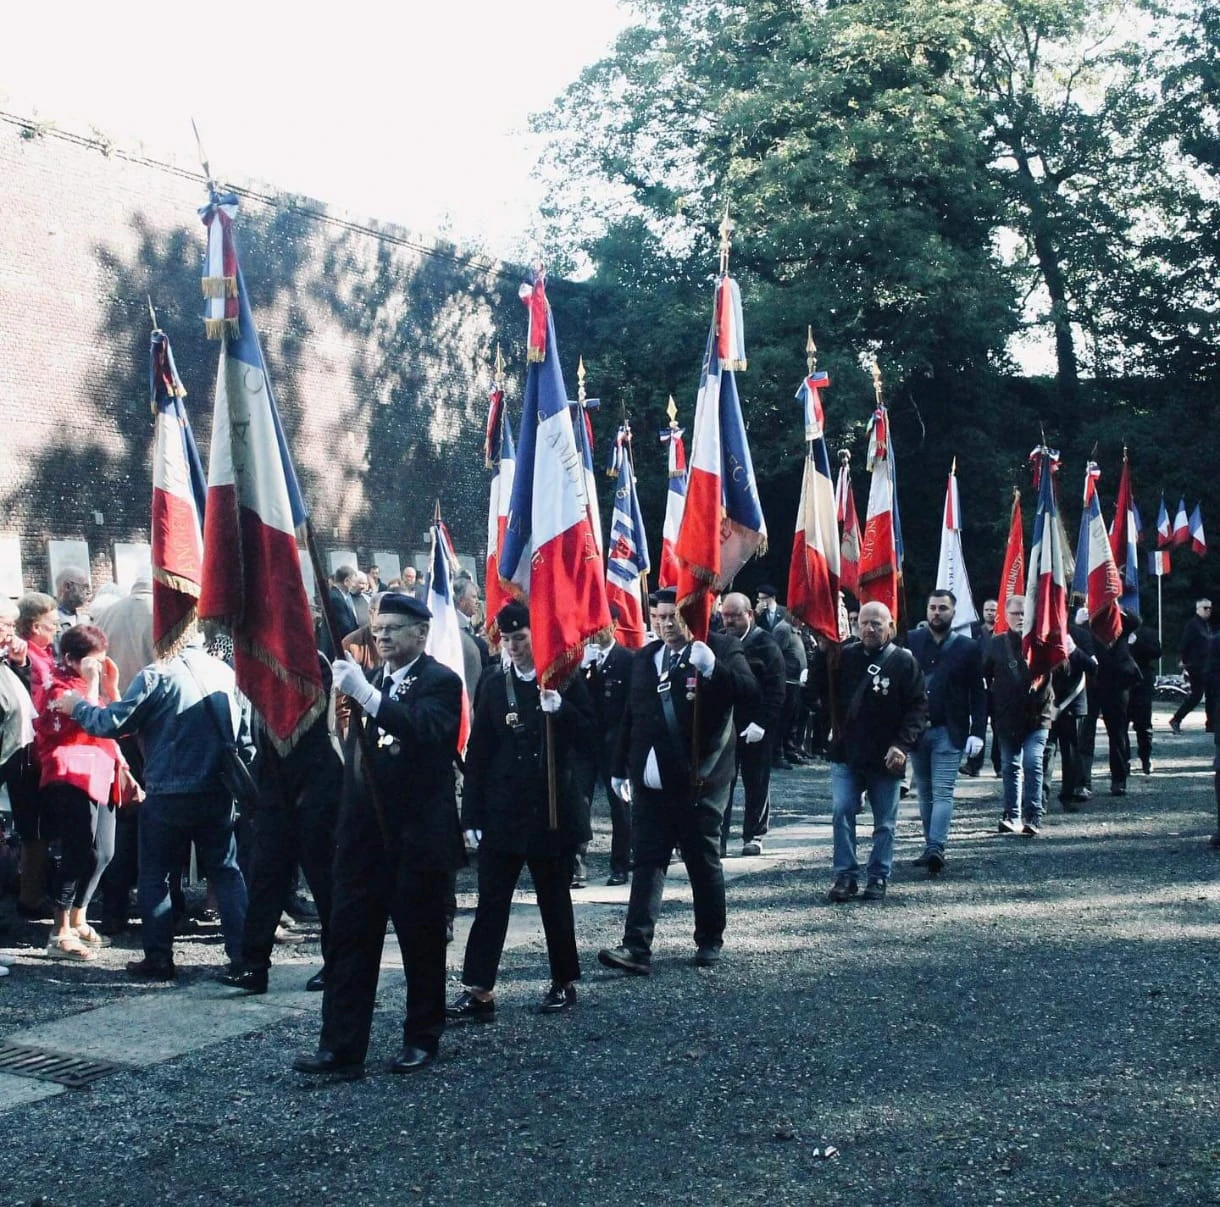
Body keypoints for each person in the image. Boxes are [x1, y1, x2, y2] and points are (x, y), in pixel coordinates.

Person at [295, 594, 463, 1078]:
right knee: (349, 942)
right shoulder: (368, 680)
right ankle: (341, 1047)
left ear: (420, 633)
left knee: (420, 943)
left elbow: (425, 730)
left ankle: (422, 1036)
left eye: (394, 628)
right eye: (379, 628)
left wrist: (368, 698)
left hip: (415, 838)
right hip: (364, 838)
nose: (383, 636)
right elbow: (354, 762)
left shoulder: (439, 681)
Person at [54, 626, 252, 980]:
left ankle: (159, 959)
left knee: (156, 875)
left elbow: (112, 723)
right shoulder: (224, 672)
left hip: (167, 790)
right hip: (217, 788)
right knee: (226, 871)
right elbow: (245, 736)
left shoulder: (157, 674)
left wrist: (78, 706)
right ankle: (243, 958)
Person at [447, 600, 595, 1022]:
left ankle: (563, 980)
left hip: (550, 808)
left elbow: (591, 737)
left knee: (554, 899)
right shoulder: (494, 683)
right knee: (492, 901)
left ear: (537, 635)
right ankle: (479, 990)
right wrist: (471, 815)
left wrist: (562, 710)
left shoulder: (564, 679)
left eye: (520, 637)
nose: (512, 646)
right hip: (504, 809)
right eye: (507, 639)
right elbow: (479, 752)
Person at [598, 587, 758, 974]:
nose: (665, 625)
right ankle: (636, 945)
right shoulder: (646, 657)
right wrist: (620, 767)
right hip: (652, 783)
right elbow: (631, 716)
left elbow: (749, 693)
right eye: (658, 618)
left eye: (673, 617)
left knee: (702, 861)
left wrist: (713, 669)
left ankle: (709, 938)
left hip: (699, 780)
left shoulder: (721, 648)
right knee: (647, 861)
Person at [221, 655, 340, 995]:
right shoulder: (259, 661)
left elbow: (312, 731)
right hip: (274, 794)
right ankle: (253, 965)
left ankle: (337, 964)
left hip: (314, 793)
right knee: (265, 880)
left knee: (325, 885)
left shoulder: (312, 663)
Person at [35, 624, 131, 959]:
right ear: (70, 658)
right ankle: (59, 930)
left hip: (101, 771)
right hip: (69, 773)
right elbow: (85, 720)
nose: (98, 666)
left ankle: (79, 916)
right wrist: (92, 685)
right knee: (77, 848)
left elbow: (116, 724)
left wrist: (111, 688)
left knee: (104, 851)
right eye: (92, 660)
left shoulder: (87, 685)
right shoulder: (55, 685)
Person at [823, 601, 928, 902]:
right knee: (842, 811)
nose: (869, 629)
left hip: (886, 756)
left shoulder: (904, 662)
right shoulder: (844, 657)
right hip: (847, 753)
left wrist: (902, 744)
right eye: (864, 623)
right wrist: (822, 651)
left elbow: (918, 709)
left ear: (890, 627)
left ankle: (879, 875)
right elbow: (821, 692)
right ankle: (845, 875)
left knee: (885, 822)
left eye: (876, 624)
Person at [906, 590, 986, 876]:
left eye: (943, 608)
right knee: (924, 792)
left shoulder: (968, 647)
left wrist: (978, 732)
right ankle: (930, 845)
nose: (937, 613)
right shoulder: (912, 640)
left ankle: (936, 846)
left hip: (949, 731)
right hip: (916, 731)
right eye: (932, 607)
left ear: (954, 612)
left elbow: (978, 693)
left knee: (943, 791)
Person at [719, 592, 785, 857]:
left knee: (756, 781)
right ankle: (718, 837)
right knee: (721, 782)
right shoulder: (719, 641)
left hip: (755, 725)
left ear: (750, 614)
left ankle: (754, 835)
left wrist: (762, 723)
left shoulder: (766, 645)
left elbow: (776, 690)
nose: (729, 621)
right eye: (725, 615)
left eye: (735, 616)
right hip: (725, 724)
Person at [983, 596, 1054, 835]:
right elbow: (984, 676)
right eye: (1015, 613)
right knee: (1010, 766)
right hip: (1007, 718)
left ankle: (1033, 816)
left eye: (1024, 613)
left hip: (1038, 716)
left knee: (1032, 763)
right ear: (1006, 615)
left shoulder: (1044, 642)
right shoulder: (995, 644)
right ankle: (1012, 815)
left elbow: (1062, 669)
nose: (1020, 618)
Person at [578, 611, 634, 885]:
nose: (596, 631)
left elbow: (630, 707)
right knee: (579, 803)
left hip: (614, 743)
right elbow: (573, 696)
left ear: (614, 625)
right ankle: (577, 863)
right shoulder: (580, 659)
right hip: (585, 744)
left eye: (601, 625)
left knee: (620, 806)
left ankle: (620, 864)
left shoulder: (627, 660)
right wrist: (581, 670)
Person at [1169, 599, 1214, 734]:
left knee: (1210, 694)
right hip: (1196, 665)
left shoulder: (1205, 625)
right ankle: (1176, 719)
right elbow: (1185, 643)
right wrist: (1183, 660)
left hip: (1206, 665)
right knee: (1197, 695)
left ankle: (1211, 724)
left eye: (1210, 608)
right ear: (1198, 609)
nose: (1208, 611)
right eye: (1205, 608)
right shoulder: (1193, 625)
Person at [1126, 615, 1162, 775]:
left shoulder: (1148, 633)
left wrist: (1137, 643)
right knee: (1122, 726)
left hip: (1142, 682)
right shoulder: (1118, 634)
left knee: (1144, 726)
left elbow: (1157, 652)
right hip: (1124, 682)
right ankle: (1125, 761)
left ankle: (1145, 759)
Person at [53, 567, 92, 636]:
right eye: (84, 587)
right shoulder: (49, 622)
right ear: (67, 586)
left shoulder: (86, 621)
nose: (88, 592)